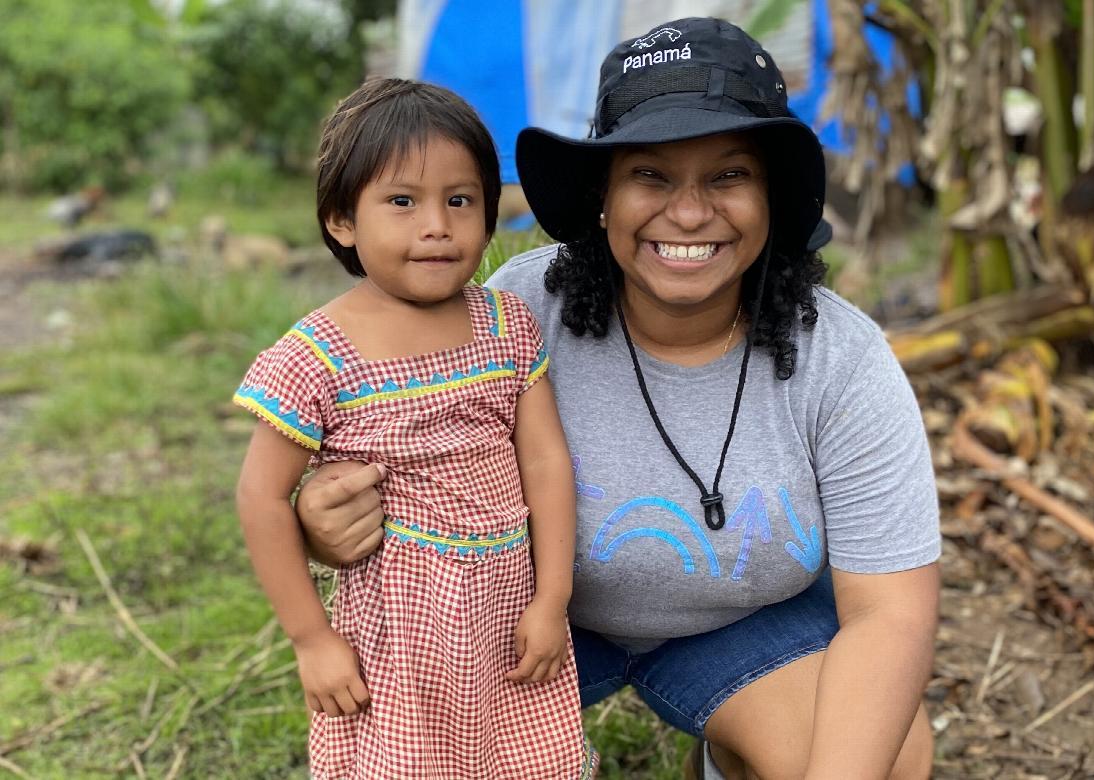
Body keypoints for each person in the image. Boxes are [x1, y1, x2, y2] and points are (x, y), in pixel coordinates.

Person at [297, 19, 940, 780]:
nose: (690, 213)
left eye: (729, 176)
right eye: (651, 176)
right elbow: (384, 441)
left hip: (742, 625)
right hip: (520, 621)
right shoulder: (511, 314)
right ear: (603, 194)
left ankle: (731, 748)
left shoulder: (841, 356)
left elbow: (890, 612)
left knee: (888, 758)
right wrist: (326, 519)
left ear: (771, 195)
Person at [233, 78, 599, 779]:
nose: (437, 225)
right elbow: (261, 496)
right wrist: (311, 638)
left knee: (518, 757)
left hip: (507, 611)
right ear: (342, 219)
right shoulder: (316, 355)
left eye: (460, 200)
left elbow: (546, 462)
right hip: (397, 631)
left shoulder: (506, 325)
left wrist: (552, 599)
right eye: (402, 201)